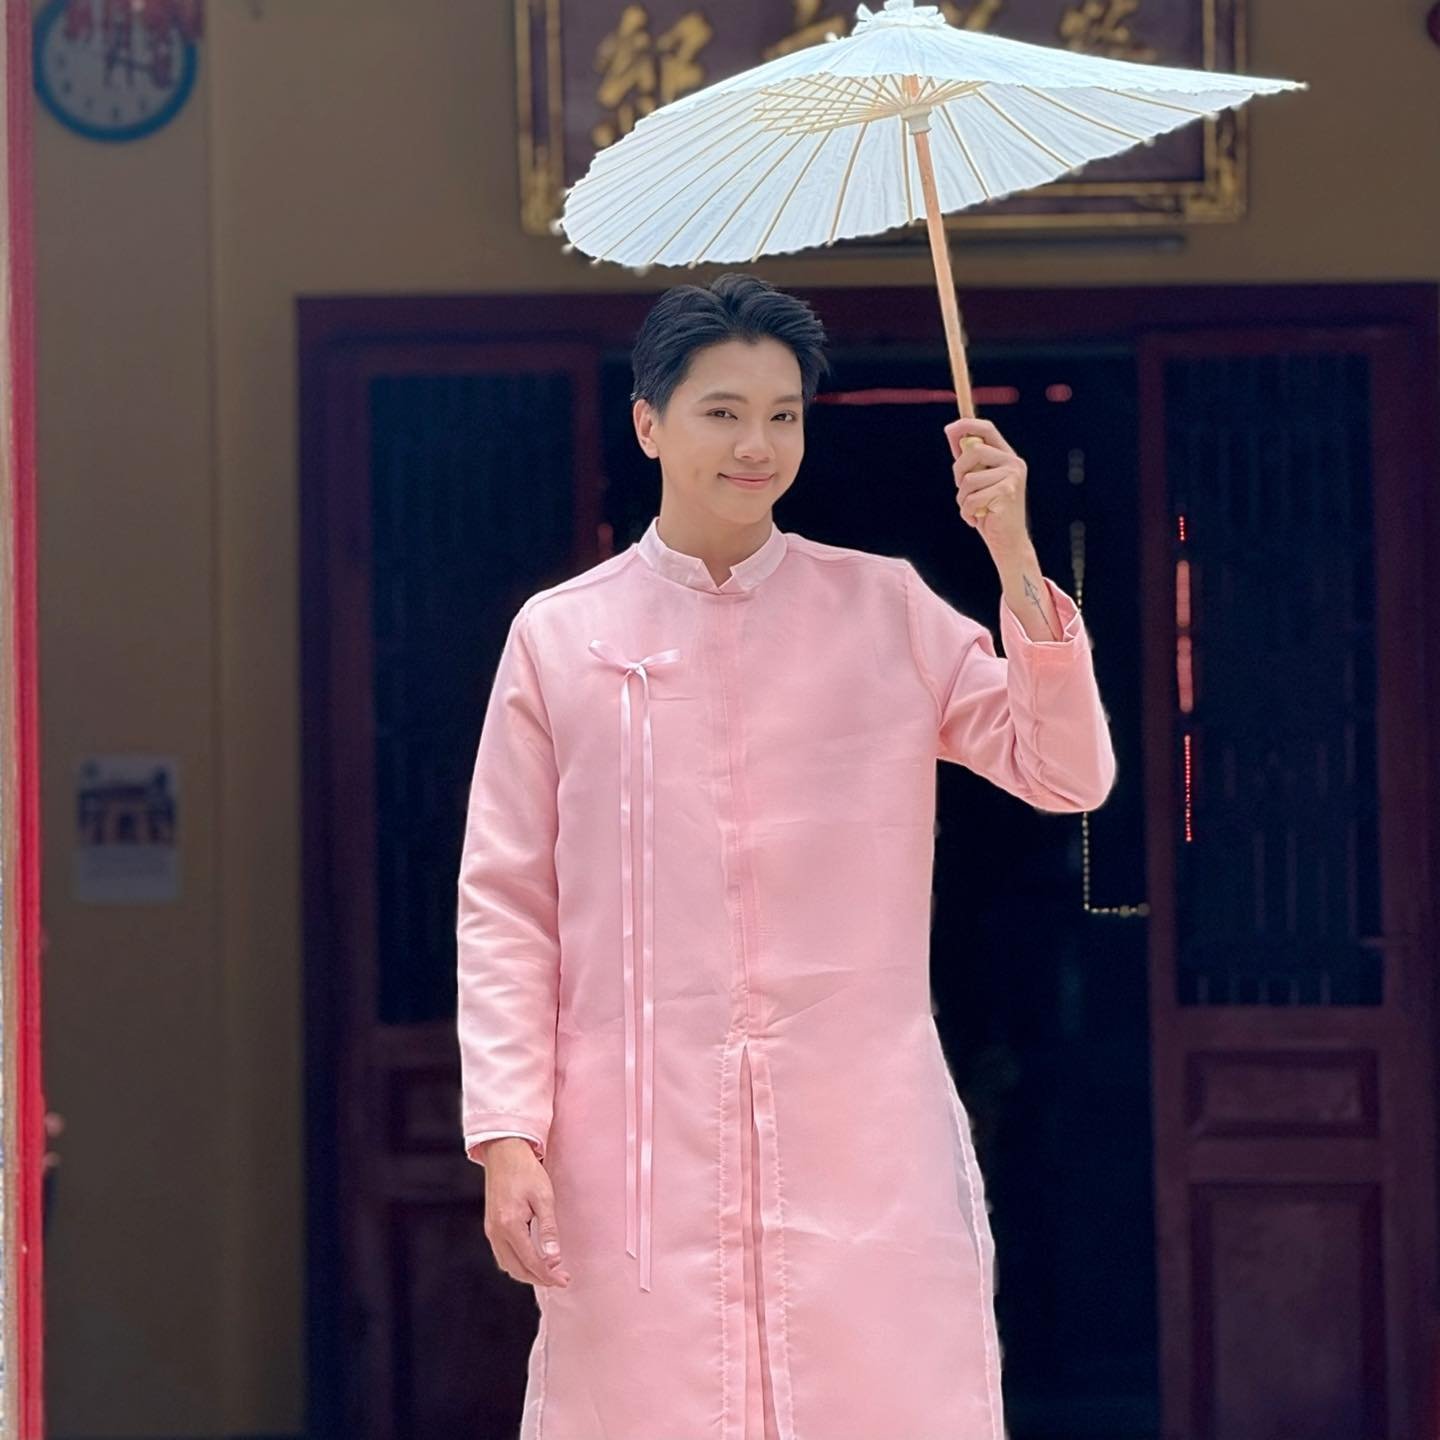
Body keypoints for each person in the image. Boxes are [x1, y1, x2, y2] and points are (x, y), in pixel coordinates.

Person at [456, 271, 1116, 1440]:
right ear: (649, 423)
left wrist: (1013, 553)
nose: (756, 445)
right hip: (636, 1137)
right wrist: (508, 1134)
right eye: (722, 412)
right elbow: (509, 904)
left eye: (783, 415)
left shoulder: (884, 610)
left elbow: (1065, 772)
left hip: (857, 1123)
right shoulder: (561, 638)